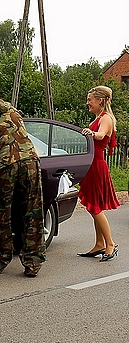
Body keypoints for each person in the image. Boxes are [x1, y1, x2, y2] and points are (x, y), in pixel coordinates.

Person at [0, 93, 46, 277]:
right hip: (30, 161)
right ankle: (33, 262)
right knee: (32, 212)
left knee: (2, 215)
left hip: (4, 166)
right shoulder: (13, 111)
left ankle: (0, 260)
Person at [77, 86, 120, 261]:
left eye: (90, 100)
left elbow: (101, 135)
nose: (88, 103)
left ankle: (110, 244)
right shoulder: (100, 117)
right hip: (92, 164)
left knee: (95, 208)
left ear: (100, 101)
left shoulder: (107, 119)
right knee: (95, 206)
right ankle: (99, 243)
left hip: (96, 165)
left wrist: (91, 132)